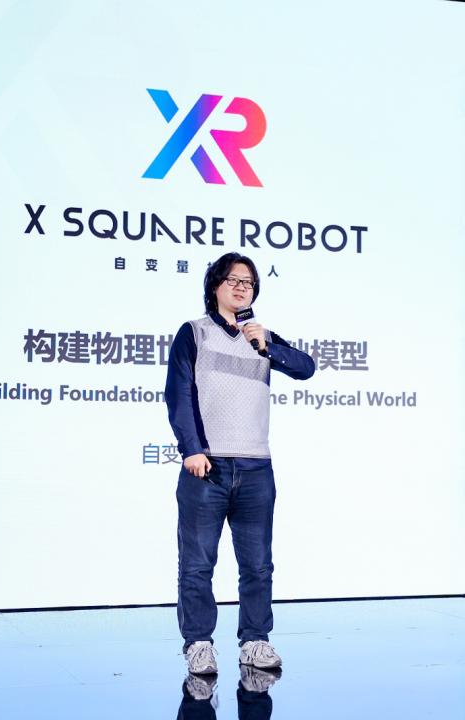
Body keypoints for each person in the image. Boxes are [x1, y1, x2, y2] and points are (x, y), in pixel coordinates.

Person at [166, 252, 316, 676]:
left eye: (248, 282)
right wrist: (192, 449)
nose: (240, 287)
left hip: (256, 468)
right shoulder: (194, 332)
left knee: (258, 565)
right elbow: (179, 393)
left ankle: (255, 641)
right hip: (207, 466)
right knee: (197, 564)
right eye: (232, 280)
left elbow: (306, 368)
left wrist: (268, 345)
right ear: (215, 286)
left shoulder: (260, 336)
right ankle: (198, 644)